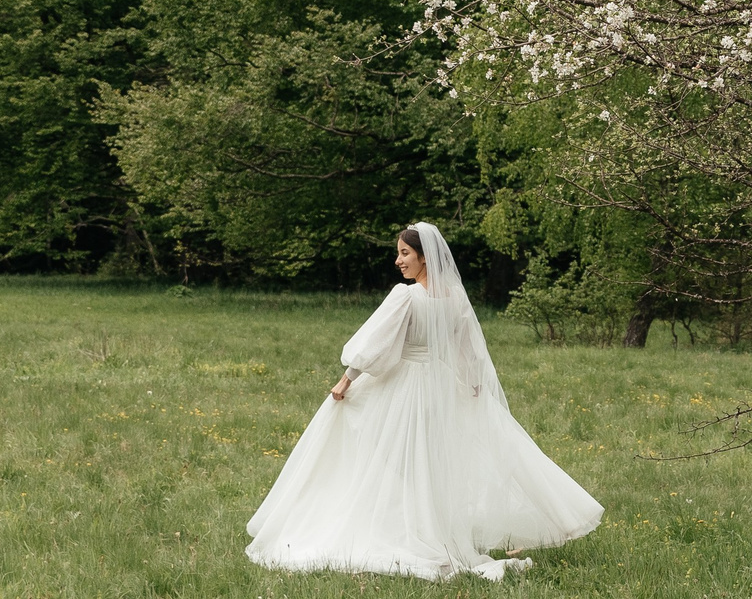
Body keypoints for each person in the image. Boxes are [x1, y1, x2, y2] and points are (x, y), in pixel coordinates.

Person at [246, 222, 603, 580]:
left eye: (404, 253)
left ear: (423, 257)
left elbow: (376, 345)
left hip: (404, 386)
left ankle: (398, 526)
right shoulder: (455, 299)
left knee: (389, 454)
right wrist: (473, 385)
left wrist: (346, 381)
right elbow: (468, 350)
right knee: (427, 461)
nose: (398, 261)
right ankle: (422, 524)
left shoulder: (406, 297)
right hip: (441, 386)